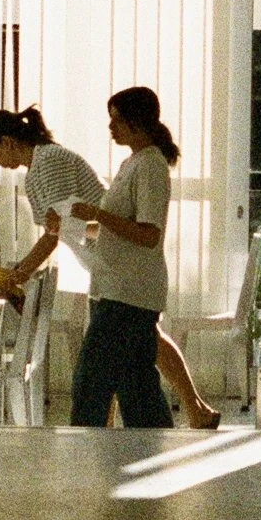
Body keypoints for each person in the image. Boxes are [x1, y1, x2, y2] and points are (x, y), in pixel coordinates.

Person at [0, 102, 218, 427]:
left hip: (121, 274)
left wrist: (19, 274)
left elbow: (62, 230)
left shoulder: (48, 164)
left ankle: (104, 438)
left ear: (8, 142)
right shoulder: (117, 162)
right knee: (135, 371)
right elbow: (69, 225)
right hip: (114, 271)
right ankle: (189, 414)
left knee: (99, 378)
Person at [66, 85, 179, 429]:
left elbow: (148, 234)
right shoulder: (132, 164)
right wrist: (75, 228)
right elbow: (120, 230)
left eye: (116, 120)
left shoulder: (150, 167)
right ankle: (154, 447)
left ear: (135, 122)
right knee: (136, 385)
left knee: (91, 383)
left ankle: (83, 446)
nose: (110, 127)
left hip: (128, 295)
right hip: (114, 288)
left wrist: (98, 215)